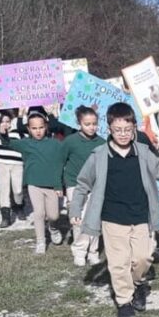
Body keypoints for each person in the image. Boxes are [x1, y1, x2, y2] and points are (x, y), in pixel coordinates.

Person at [69, 103, 159, 317]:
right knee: (118, 262)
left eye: (127, 130)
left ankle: (137, 284)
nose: (122, 134)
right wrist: (75, 207)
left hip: (141, 217)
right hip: (112, 218)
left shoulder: (143, 152)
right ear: (109, 128)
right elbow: (82, 183)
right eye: (117, 129)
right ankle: (124, 302)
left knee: (143, 258)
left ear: (134, 129)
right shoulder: (99, 155)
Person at [4, 110, 66, 254]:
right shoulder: (25, 143)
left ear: (46, 127)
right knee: (38, 213)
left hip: (51, 185)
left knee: (53, 215)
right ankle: (40, 242)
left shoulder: (55, 144)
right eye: (34, 128)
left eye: (41, 127)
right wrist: (3, 132)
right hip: (34, 183)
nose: (38, 131)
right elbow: (7, 143)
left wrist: (58, 185)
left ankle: (53, 228)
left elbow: (59, 165)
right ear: (29, 129)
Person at [61, 106, 106, 266]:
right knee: (78, 219)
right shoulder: (70, 142)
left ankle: (93, 251)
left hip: (95, 186)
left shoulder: (102, 142)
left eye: (94, 123)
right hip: (75, 184)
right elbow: (60, 162)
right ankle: (79, 251)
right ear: (79, 123)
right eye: (87, 124)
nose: (91, 127)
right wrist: (60, 186)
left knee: (94, 219)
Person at [0, 106, 27, 226]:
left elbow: (24, 126)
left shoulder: (17, 131)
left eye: (7, 121)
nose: (5, 124)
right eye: (2, 121)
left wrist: (22, 114)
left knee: (18, 190)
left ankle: (18, 206)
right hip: (0, 163)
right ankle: (5, 217)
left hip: (17, 163)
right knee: (3, 189)